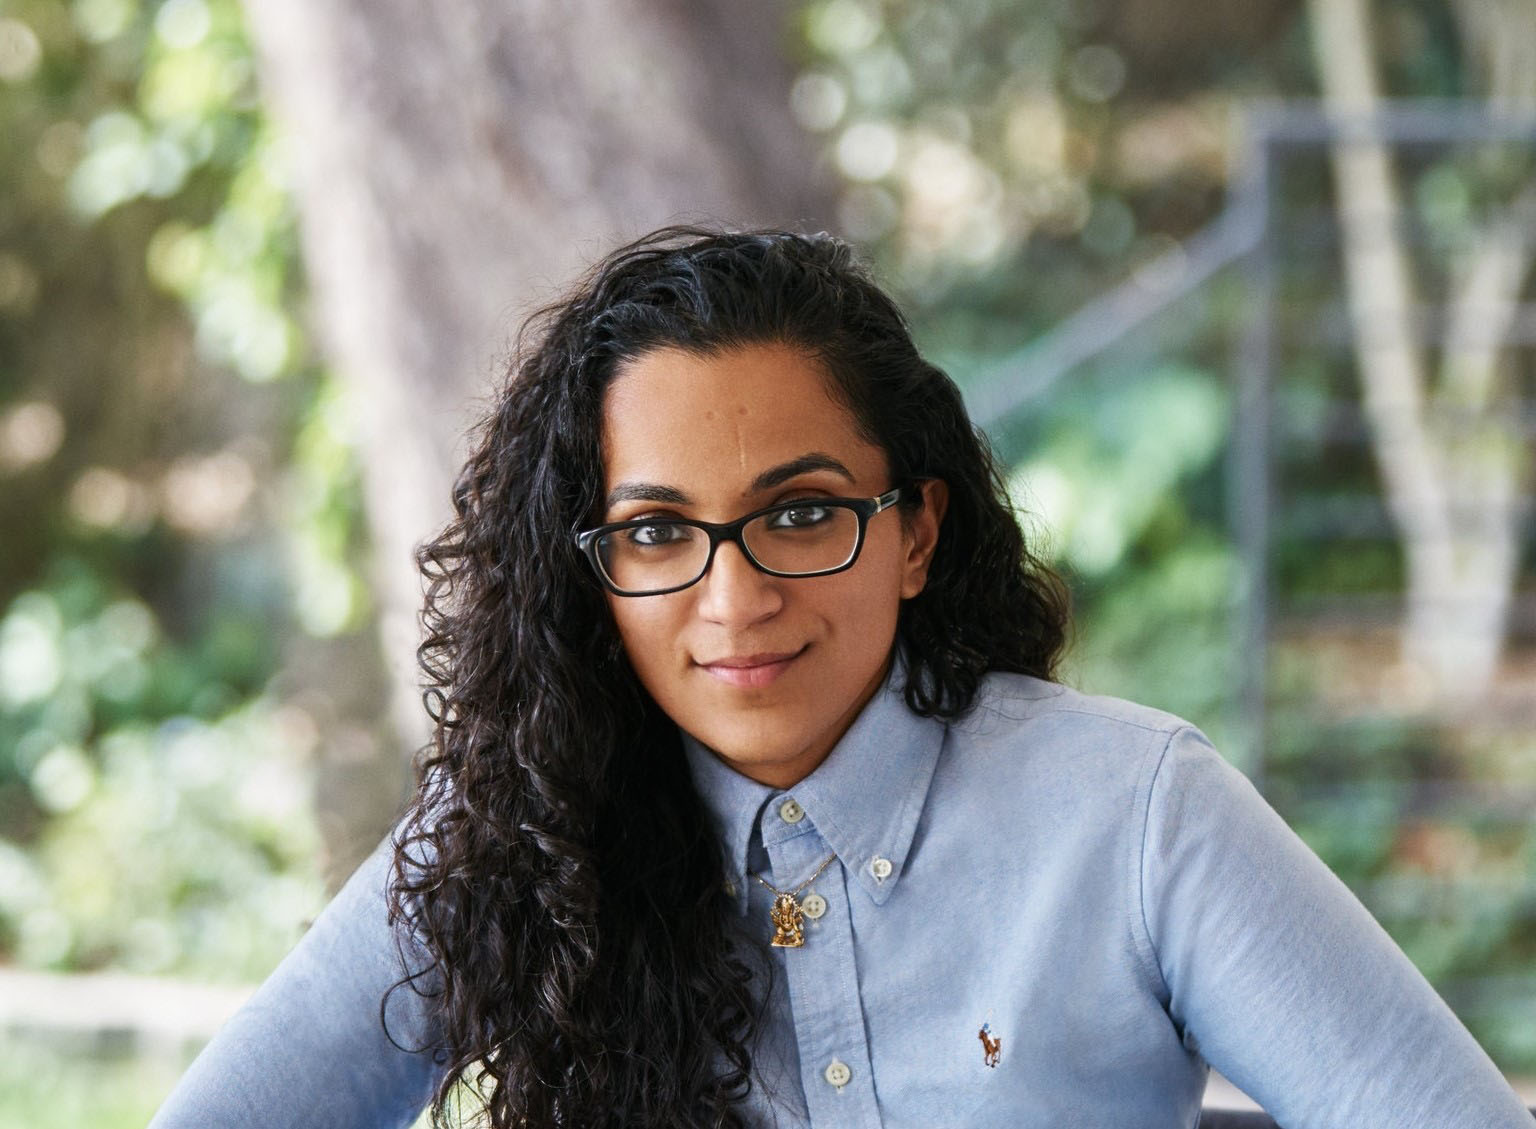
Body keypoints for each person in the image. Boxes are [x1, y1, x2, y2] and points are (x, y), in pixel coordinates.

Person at [147, 225, 1533, 1129]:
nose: (733, 595)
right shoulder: (515, 832)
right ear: (593, 566)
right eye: (657, 530)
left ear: (915, 529)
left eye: (800, 511)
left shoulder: (1135, 815)